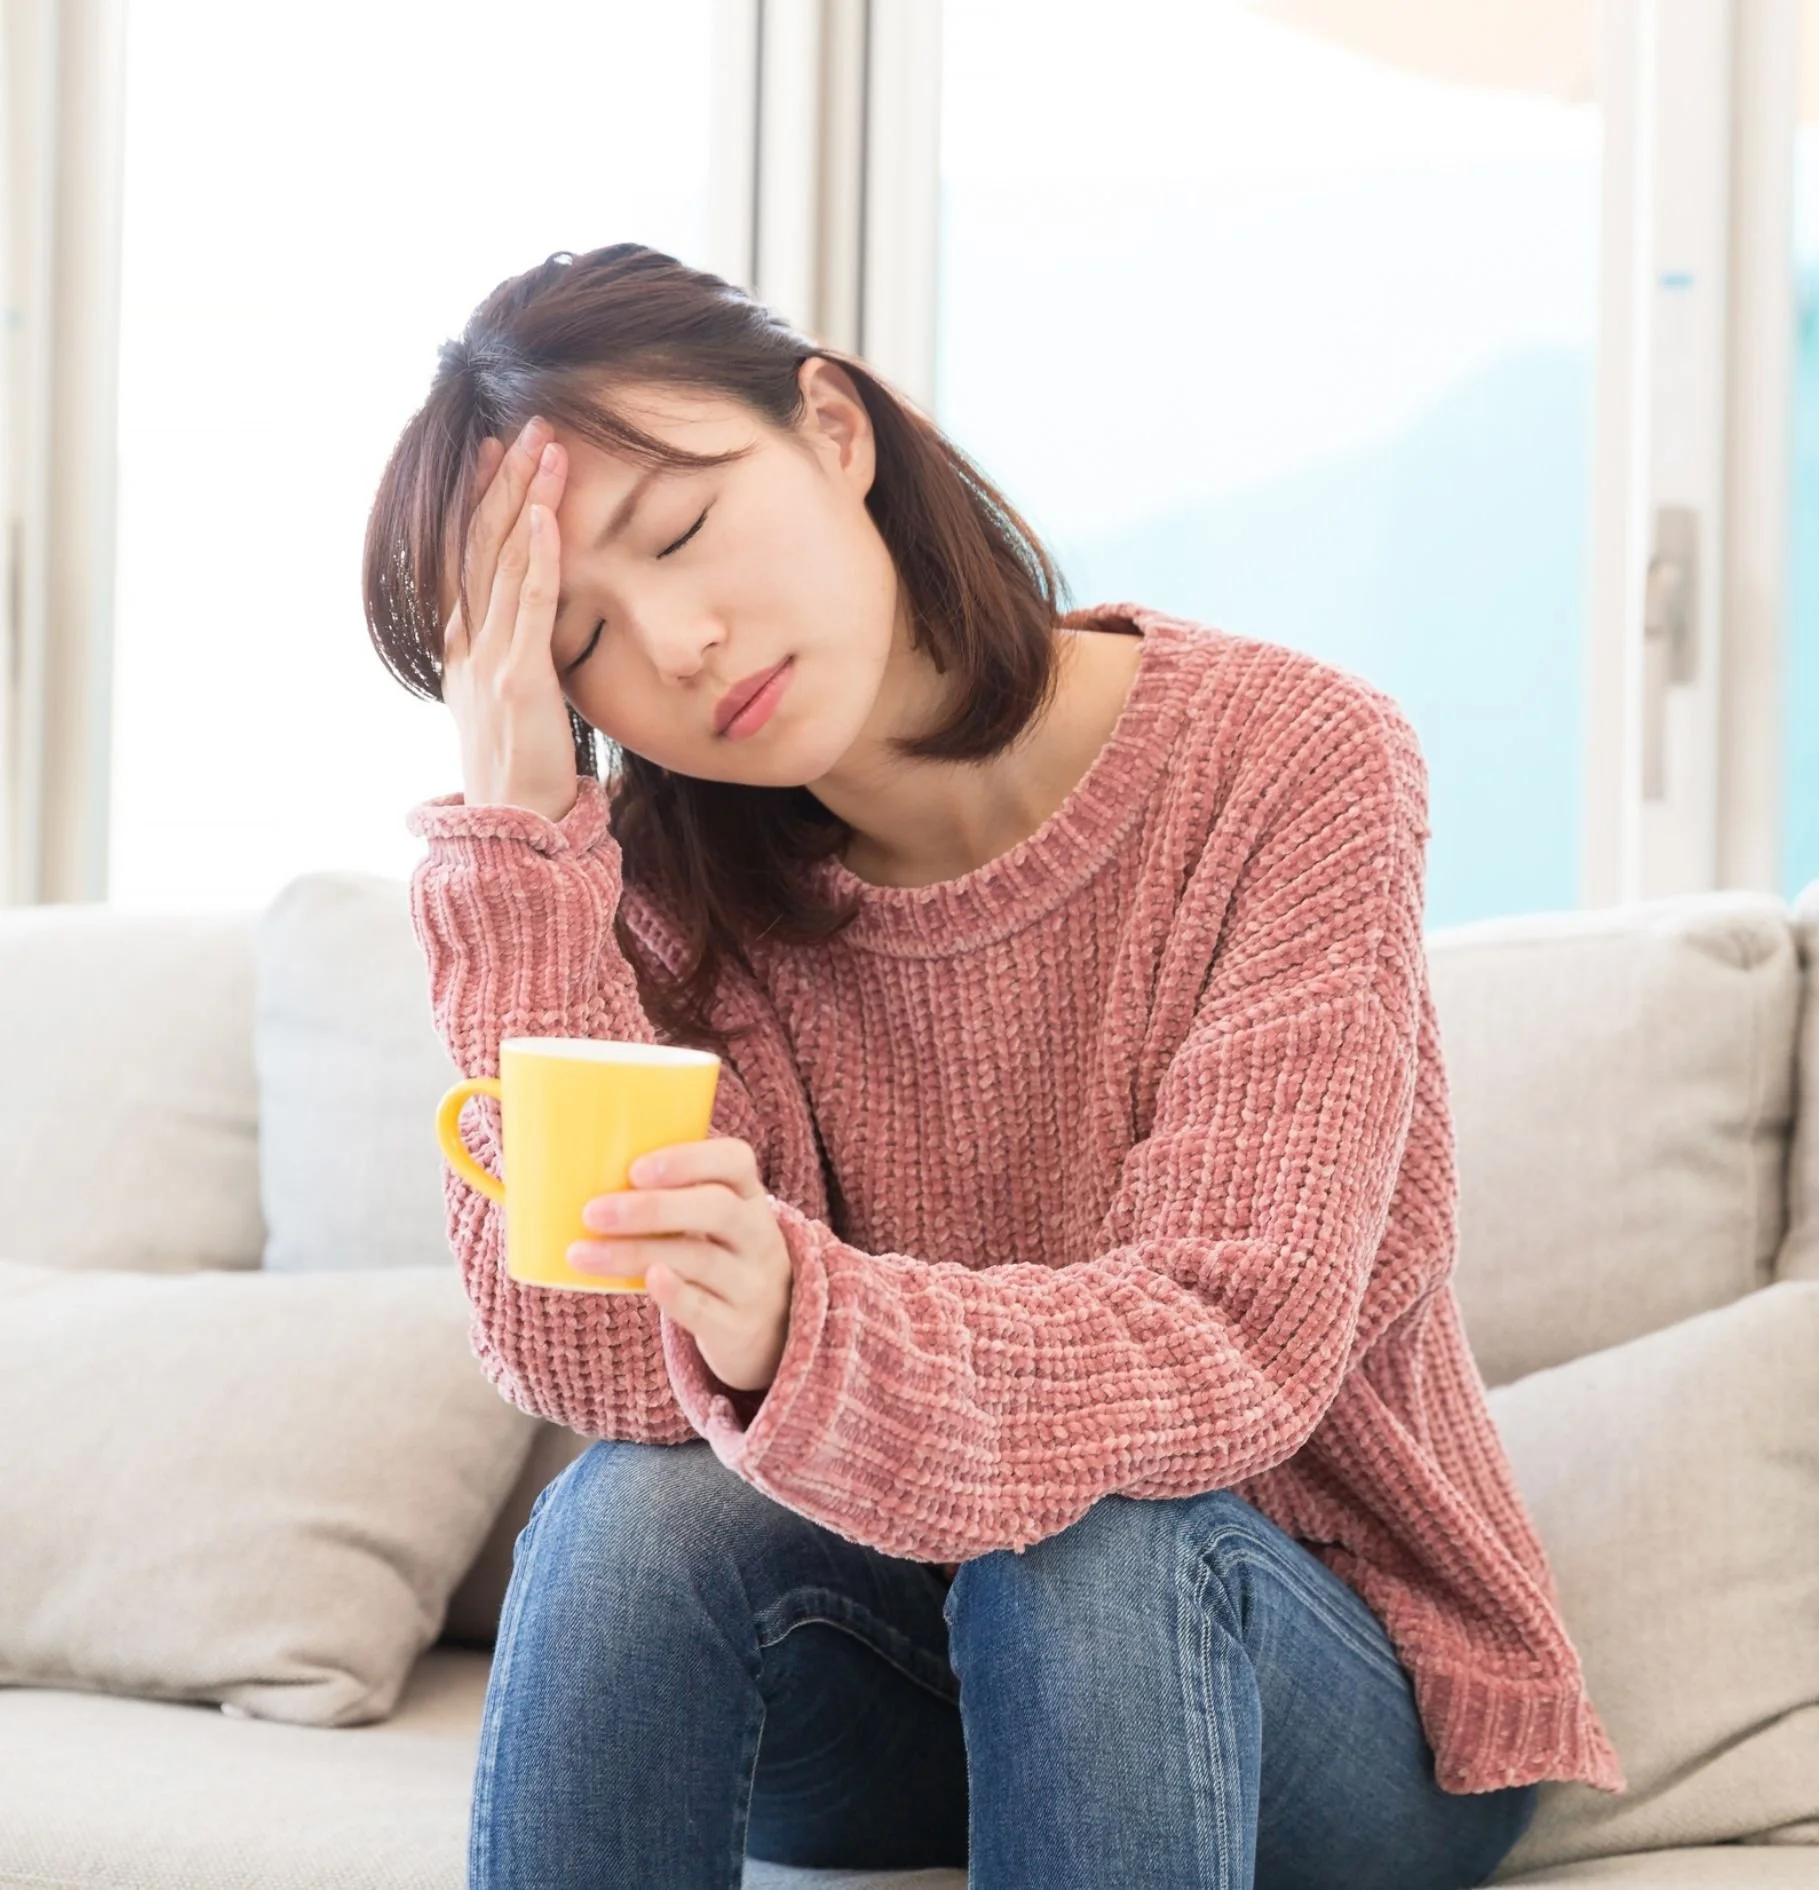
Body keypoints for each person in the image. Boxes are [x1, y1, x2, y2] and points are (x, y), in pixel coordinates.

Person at [365, 242, 1623, 1890]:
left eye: (679, 530)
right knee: (624, 1521)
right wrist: (522, 854)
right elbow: (600, 1371)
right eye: (582, 635)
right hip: (903, 1686)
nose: (674, 640)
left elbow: (1228, 1339)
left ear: (832, 430)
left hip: (1309, 1676)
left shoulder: (1290, 764)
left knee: (1093, 1546)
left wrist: (802, 1322)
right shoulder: (656, 889)